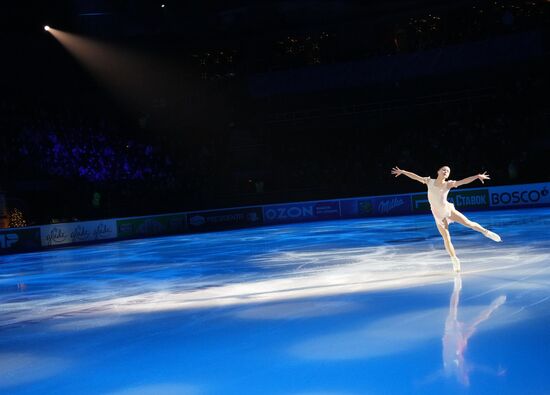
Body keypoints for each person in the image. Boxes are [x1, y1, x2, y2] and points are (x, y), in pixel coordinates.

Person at [391, 165, 501, 272]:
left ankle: (485, 232)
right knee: (446, 237)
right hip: (438, 215)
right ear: (438, 171)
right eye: (444, 170)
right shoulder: (429, 181)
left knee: (468, 223)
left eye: (447, 171)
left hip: (448, 210)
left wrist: (477, 176)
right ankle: (454, 259)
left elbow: (463, 181)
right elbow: (416, 177)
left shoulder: (448, 184)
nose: (445, 172)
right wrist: (403, 172)